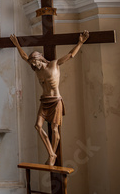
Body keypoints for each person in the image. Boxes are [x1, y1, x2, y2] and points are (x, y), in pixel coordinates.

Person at [10, 30, 89, 166]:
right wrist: (17, 44)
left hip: (55, 100)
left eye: (35, 62)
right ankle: (52, 153)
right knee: (38, 126)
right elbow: (24, 57)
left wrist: (80, 43)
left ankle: (52, 155)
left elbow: (70, 55)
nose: (34, 65)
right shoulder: (36, 69)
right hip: (44, 101)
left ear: (40, 58)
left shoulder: (54, 64)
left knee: (54, 129)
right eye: (33, 63)